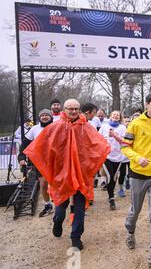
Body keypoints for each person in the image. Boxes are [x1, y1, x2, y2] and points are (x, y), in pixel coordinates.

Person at [24, 99, 110, 250]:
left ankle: (76, 236)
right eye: (70, 108)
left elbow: (97, 144)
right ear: (64, 109)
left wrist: (96, 158)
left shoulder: (86, 127)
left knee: (79, 207)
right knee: (60, 205)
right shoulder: (55, 127)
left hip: (81, 174)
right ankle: (57, 221)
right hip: (61, 174)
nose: (74, 111)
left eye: (76, 108)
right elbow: (41, 146)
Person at [121, 93, 151, 267]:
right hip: (138, 175)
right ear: (147, 105)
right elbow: (125, 148)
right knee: (135, 210)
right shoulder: (135, 124)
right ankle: (130, 230)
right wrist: (137, 158)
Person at [18, 109, 54, 217]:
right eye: (42, 115)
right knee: (43, 184)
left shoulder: (56, 127)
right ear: (39, 117)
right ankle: (48, 205)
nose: (44, 117)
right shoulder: (34, 129)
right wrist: (21, 157)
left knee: (59, 184)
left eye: (46, 115)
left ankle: (64, 205)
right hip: (41, 162)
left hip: (56, 161)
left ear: (50, 117)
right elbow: (25, 144)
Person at [98, 110, 127, 210]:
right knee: (110, 176)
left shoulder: (123, 128)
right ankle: (111, 198)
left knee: (114, 177)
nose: (115, 116)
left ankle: (111, 194)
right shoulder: (104, 126)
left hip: (118, 156)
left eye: (117, 115)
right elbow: (98, 138)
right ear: (110, 116)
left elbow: (124, 142)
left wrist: (115, 135)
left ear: (120, 118)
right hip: (107, 156)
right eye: (114, 114)